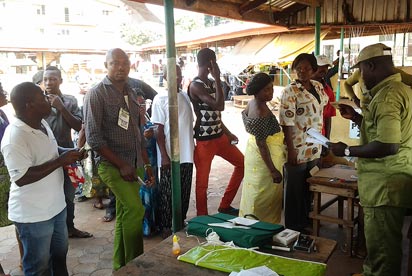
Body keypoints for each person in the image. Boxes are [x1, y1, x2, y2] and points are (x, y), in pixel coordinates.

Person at [328, 43, 412, 276]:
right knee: (381, 243)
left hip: (384, 184)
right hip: (392, 177)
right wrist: (356, 117)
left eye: (362, 70)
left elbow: (388, 144)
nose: (361, 77)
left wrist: (345, 151)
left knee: (382, 247)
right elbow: (383, 132)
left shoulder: (387, 97)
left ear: (371, 66)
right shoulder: (401, 89)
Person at [1, 82, 85, 275]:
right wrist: (60, 161)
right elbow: (21, 177)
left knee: (59, 259)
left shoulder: (42, 124)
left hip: (56, 208)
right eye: (43, 97)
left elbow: (53, 152)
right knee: (38, 267)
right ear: (30, 104)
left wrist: (71, 153)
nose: (49, 100)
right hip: (33, 216)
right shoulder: (15, 137)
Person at [83, 48, 154, 270]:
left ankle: (120, 265)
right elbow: (94, 138)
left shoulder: (132, 91)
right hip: (113, 165)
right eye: (115, 63)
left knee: (125, 213)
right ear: (106, 65)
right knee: (135, 210)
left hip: (135, 164)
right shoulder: (96, 94)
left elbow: (137, 131)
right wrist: (122, 164)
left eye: (125, 62)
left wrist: (147, 164)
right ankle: (136, 265)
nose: (120, 67)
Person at [188, 48, 244, 216]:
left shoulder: (212, 83)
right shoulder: (196, 85)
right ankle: (202, 217)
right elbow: (219, 105)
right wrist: (218, 78)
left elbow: (216, 114)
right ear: (211, 64)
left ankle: (225, 205)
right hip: (205, 141)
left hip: (220, 137)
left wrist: (227, 133)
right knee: (202, 183)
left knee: (242, 164)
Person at [279, 53, 328, 232]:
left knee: (308, 185)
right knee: (294, 189)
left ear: (314, 69)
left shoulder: (317, 86)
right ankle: (293, 225)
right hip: (297, 146)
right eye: (299, 68)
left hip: (314, 145)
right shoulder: (290, 91)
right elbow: (286, 122)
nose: (302, 71)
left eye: (307, 68)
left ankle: (306, 219)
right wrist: (291, 150)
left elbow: (322, 109)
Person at [43, 66, 92, 239]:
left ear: (60, 80)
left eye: (53, 79)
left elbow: (79, 126)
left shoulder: (70, 101)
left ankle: (69, 228)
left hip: (67, 155)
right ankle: (52, 233)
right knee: (48, 196)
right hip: (44, 156)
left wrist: (61, 107)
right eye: (46, 79)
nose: (49, 82)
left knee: (68, 194)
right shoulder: (38, 101)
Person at [151, 64, 194, 237]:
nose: (177, 78)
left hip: (187, 153)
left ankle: (180, 220)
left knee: (184, 189)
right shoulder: (160, 99)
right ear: (165, 76)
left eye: (179, 74)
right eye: (173, 75)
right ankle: (167, 226)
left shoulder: (184, 96)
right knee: (168, 191)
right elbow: (158, 130)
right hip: (170, 154)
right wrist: (164, 155)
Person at [239, 73, 285, 224]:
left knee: (254, 190)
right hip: (265, 158)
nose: (271, 92)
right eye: (266, 90)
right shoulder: (260, 111)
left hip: (254, 154)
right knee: (263, 193)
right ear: (257, 91)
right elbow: (262, 144)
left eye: (271, 88)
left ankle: (249, 222)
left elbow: (245, 117)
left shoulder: (252, 104)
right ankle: (263, 226)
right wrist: (272, 170)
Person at [344, 61, 412, 109]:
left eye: (362, 67)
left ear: (371, 65)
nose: (361, 72)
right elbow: (347, 84)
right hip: (366, 114)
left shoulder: (395, 73)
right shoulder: (359, 73)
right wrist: (354, 99)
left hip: (387, 115)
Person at [313, 55, 336, 139]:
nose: (323, 69)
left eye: (326, 66)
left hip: (320, 137)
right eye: (320, 66)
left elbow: (328, 117)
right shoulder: (300, 88)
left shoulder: (328, 91)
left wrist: (327, 140)